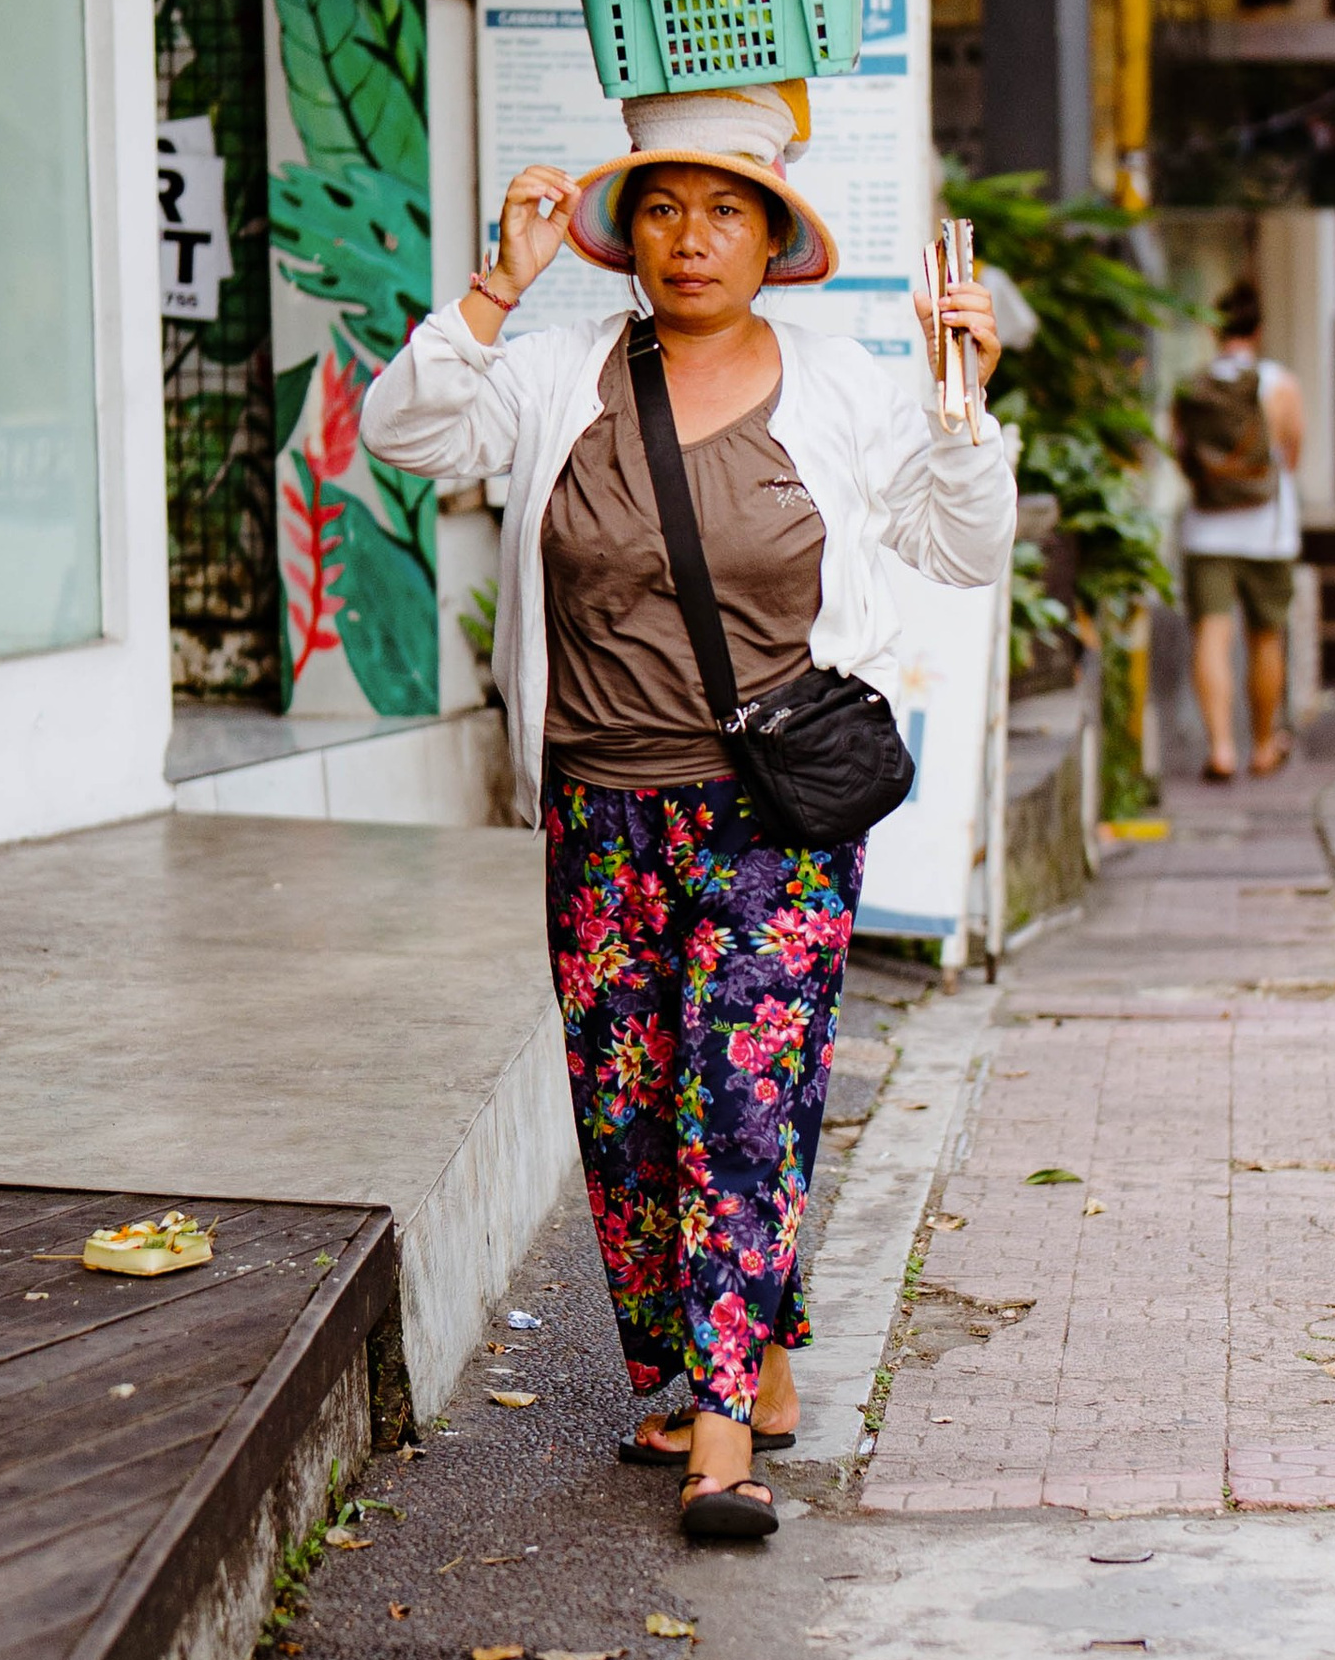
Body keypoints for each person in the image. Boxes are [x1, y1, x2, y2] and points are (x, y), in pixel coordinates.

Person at [360, 86, 1011, 1544]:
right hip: (601, 815)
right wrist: (498, 284)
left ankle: (719, 1441)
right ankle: (736, 1364)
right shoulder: (556, 372)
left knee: (740, 1103)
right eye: (662, 208)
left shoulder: (843, 385)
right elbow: (405, 429)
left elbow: (961, 548)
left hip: (776, 818)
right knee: (630, 1115)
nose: (691, 237)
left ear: (773, 239)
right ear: (629, 234)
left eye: (725, 211)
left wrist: (961, 403)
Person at [1171, 277, 1303, 782]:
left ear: (1215, 330)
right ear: (1259, 330)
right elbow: (1292, 453)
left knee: (1212, 633)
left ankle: (1222, 748)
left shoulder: (1193, 387)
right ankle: (1264, 746)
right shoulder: (1281, 385)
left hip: (1207, 530)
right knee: (1265, 637)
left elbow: (1181, 453)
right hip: (1268, 532)